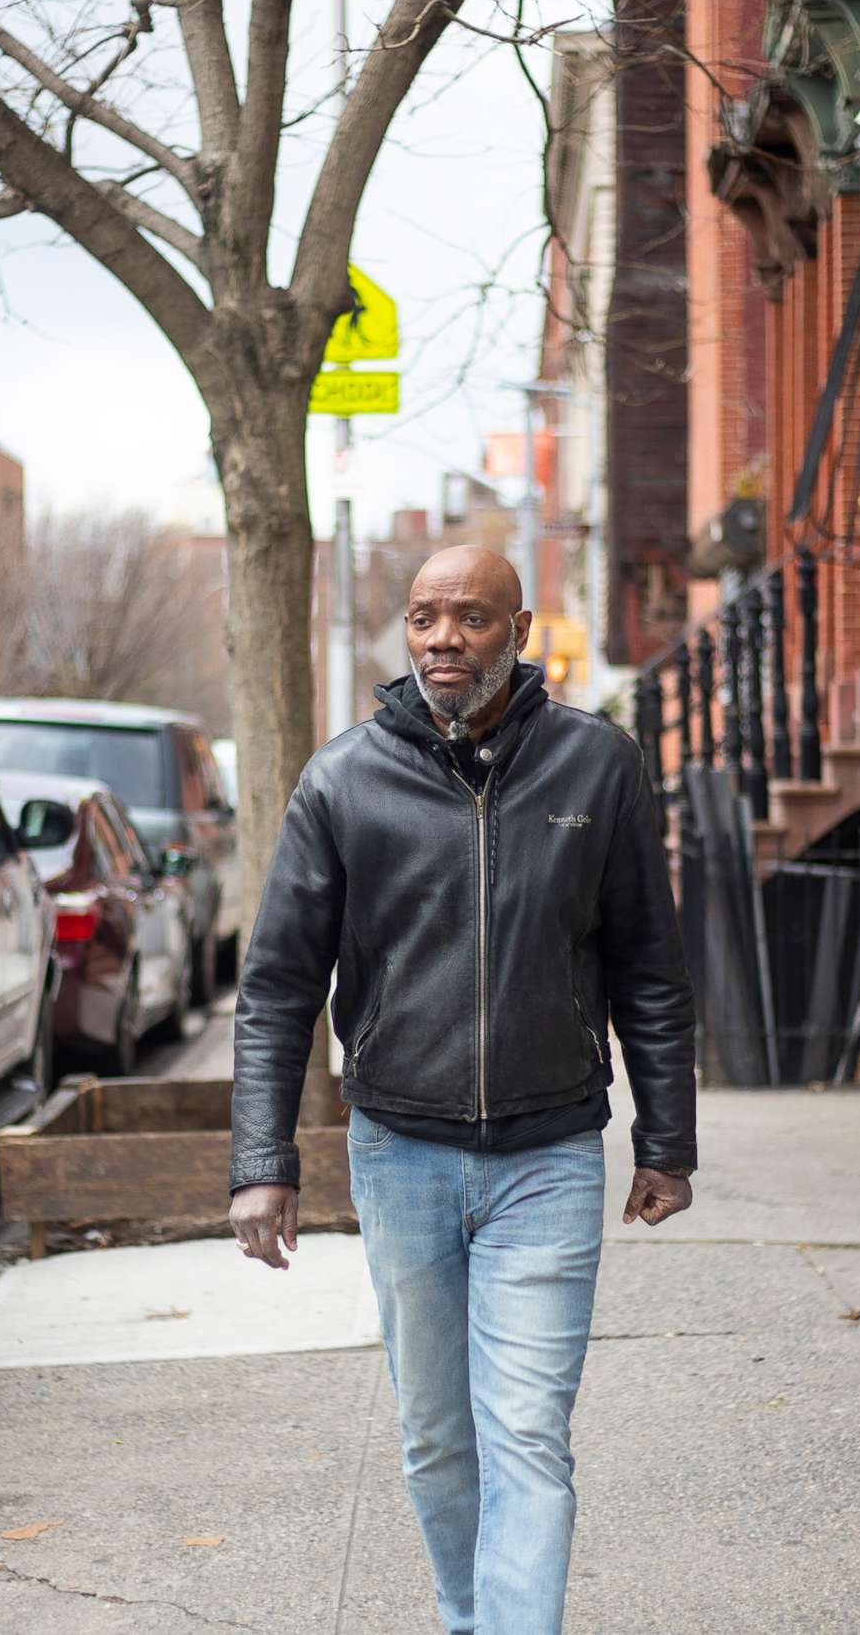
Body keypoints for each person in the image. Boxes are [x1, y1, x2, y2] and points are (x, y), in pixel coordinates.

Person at [229, 545, 697, 1635]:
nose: (445, 639)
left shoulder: (598, 769)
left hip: (549, 1156)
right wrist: (264, 1164)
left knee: (528, 1430)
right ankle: (466, 1618)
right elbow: (277, 988)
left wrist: (664, 1140)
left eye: (472, 619)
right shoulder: (343, 780)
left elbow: (651, 971)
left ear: (520, 632)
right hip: (402, 1154)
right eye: (425, 617)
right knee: (439, 1436)